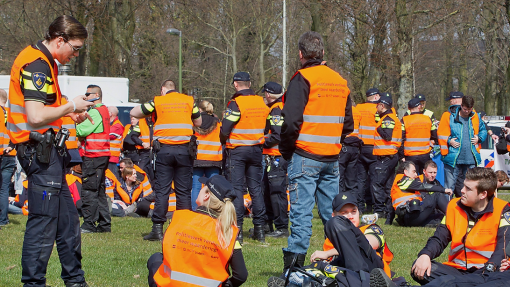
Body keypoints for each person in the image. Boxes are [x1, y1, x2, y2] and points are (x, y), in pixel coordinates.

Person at [6, 15, 92, 287]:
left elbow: (47, 111)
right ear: (59, 40)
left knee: (68, 223)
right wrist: (70, 107)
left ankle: (75, 281)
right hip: (38, 153)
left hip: (48, 154)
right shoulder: (37, 64)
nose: (75, 55)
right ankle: (34, 284)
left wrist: (70, 114)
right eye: (75, 48)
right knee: (43, 225)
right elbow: (34, 115)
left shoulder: (45, 63)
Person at [279, 31, 353, 270]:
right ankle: (347, 260)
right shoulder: (339, 81)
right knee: (333, 215)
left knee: (301, 215)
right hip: (331, 158)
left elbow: (290, 122)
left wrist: (286, 150)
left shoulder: (302, 78)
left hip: (305, 155)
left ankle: (294, 270)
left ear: (301, 54)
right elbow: (348, 124)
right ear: (322, 53)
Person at [268, 192, 392, 287]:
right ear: (333, 214)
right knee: (308, 271)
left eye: (353, 212)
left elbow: (370, 243)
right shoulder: (331, 240)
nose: (350, 216)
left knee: (333, 225)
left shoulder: (370, 228)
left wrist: (328, 253)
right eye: (344, 213)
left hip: (371, 269)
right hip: (345, 273)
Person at [411, 167, 510, 285]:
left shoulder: (502, 210)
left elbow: (502, 248)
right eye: (463, 186)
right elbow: (439, 238)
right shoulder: (454, 206)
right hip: (457, 270)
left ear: (483, 194)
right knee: (419, 267)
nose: (462, 190)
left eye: (468, 189)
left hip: (487, 272)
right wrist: (425, 255)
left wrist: (490, 268)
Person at [131, 79, 202, 241]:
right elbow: (199, 122)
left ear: (163, 89)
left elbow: (135, 113)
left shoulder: (158, 101)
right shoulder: (189, 101)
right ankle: (183, 229)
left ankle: (157, 229)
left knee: (162, 190)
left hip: (164, 151)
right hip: (185, 151)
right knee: (183, 191)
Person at [147, 175, 247, 287]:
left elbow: (168, 253)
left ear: (206, 196)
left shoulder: (179, 218)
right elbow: (241, 275)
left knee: (155, 258)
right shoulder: (229, 232)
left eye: (202, 188)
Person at [221, 72, 269, 243]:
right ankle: (260, 230)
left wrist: (223, 140)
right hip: (256, 150)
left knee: (237, 190)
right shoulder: (261, 102)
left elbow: (225, 128)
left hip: (238, 150)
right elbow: (268, 125)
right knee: (256, 190)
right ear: (249, 84)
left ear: (236, 85)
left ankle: (238, 231)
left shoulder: (236, 103)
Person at [438, 95, 487, 198]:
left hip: (471, 159)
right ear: (461, 105)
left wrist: (479, 138)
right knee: (449, 188)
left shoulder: (475, 116)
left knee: (471, 187)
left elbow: (483, 130)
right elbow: (441, 133)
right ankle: (448, 210)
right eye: (465, 109)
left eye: (469, 109)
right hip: (452, 158)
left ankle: (467, 211)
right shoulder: (449, 116)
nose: (466, 111)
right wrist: (449, 140)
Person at [77, 84, 111, 233]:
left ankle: (89, 224)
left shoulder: (96, 112)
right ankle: (104, 224)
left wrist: (75, 124)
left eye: (88, 94)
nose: (85, 96)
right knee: (99, 191)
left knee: (89, 190)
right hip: (101, 155)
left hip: (93, 156)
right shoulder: (104, 111)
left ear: (96, 94)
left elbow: (81, 130)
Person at [261, 81, 289, 238]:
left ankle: (282, 227)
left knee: (277, 193)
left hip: (276, 156)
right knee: (268, 191)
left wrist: (261, 142)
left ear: (268, 94)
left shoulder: (276, 110)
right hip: (273, 156)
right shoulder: (278, 107)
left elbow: (277, 134)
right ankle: (268, 224)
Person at [391, 161, 451, 227]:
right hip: (410, 216)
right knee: (437, 195)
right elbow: (423, 187)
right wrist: (444, 190)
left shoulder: (400, 181)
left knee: (439, 217)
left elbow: (390, 203)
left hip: (411, 215)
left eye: (434, 172)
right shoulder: (403, 181)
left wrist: (388, 221)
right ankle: (454, 215)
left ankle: (433, 223)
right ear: (406, 172)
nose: (416, 174)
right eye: (413, 172)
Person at [372, 93, 401, 225]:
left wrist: (378, 128)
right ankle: (388, 209)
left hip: (386, 156)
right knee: (388, 185)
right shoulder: (388, 117)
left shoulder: (387, 119)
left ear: (382, 106)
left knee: (377, 183)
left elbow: (388, 136)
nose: (376, 108)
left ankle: (380, 210)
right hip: (390, 155)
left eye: (377, 105)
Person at [192, 100, 222, 210]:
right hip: (214, 158)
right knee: (214, 187)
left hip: (198, 158)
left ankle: (196, 210)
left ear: (199, 110)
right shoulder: (218, 122)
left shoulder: (194, 122)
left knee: (196, 186)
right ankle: (213, 209)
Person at [356, 88, 381, 214]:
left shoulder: (358, 107)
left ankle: (360, 207)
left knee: (361, 179)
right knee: (374, 178)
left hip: (360, 147)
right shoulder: (378, 109)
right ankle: (375, 207)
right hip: (374, 147)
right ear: (376, 97)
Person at [401, 98, 437, 173]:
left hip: (410, 155)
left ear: (408, 108)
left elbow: (400, 138)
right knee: (424, 177)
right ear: (419, 107)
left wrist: (401, 156)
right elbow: (435, 136)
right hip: (425, 154)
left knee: (411, 178)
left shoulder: (404, 120)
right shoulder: (428, 119)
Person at [0, 88, 17, 227]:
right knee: (4, 189)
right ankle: (3, 220)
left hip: (1, 153)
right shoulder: (12, 114)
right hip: (11, 155)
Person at [339, 102, 363, 196]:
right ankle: (353, 202)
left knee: (339, 177)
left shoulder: (342, 110)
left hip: (344, 144)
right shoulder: (357, 112)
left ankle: (340, 201)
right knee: (352, 178)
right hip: (355, 146)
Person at [108, 106, 124, 179]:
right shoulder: (111, 124)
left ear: (111, 114)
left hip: (112, 157)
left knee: (112, 177)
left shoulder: (118, 126)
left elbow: (108, 135)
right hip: (107, 156)